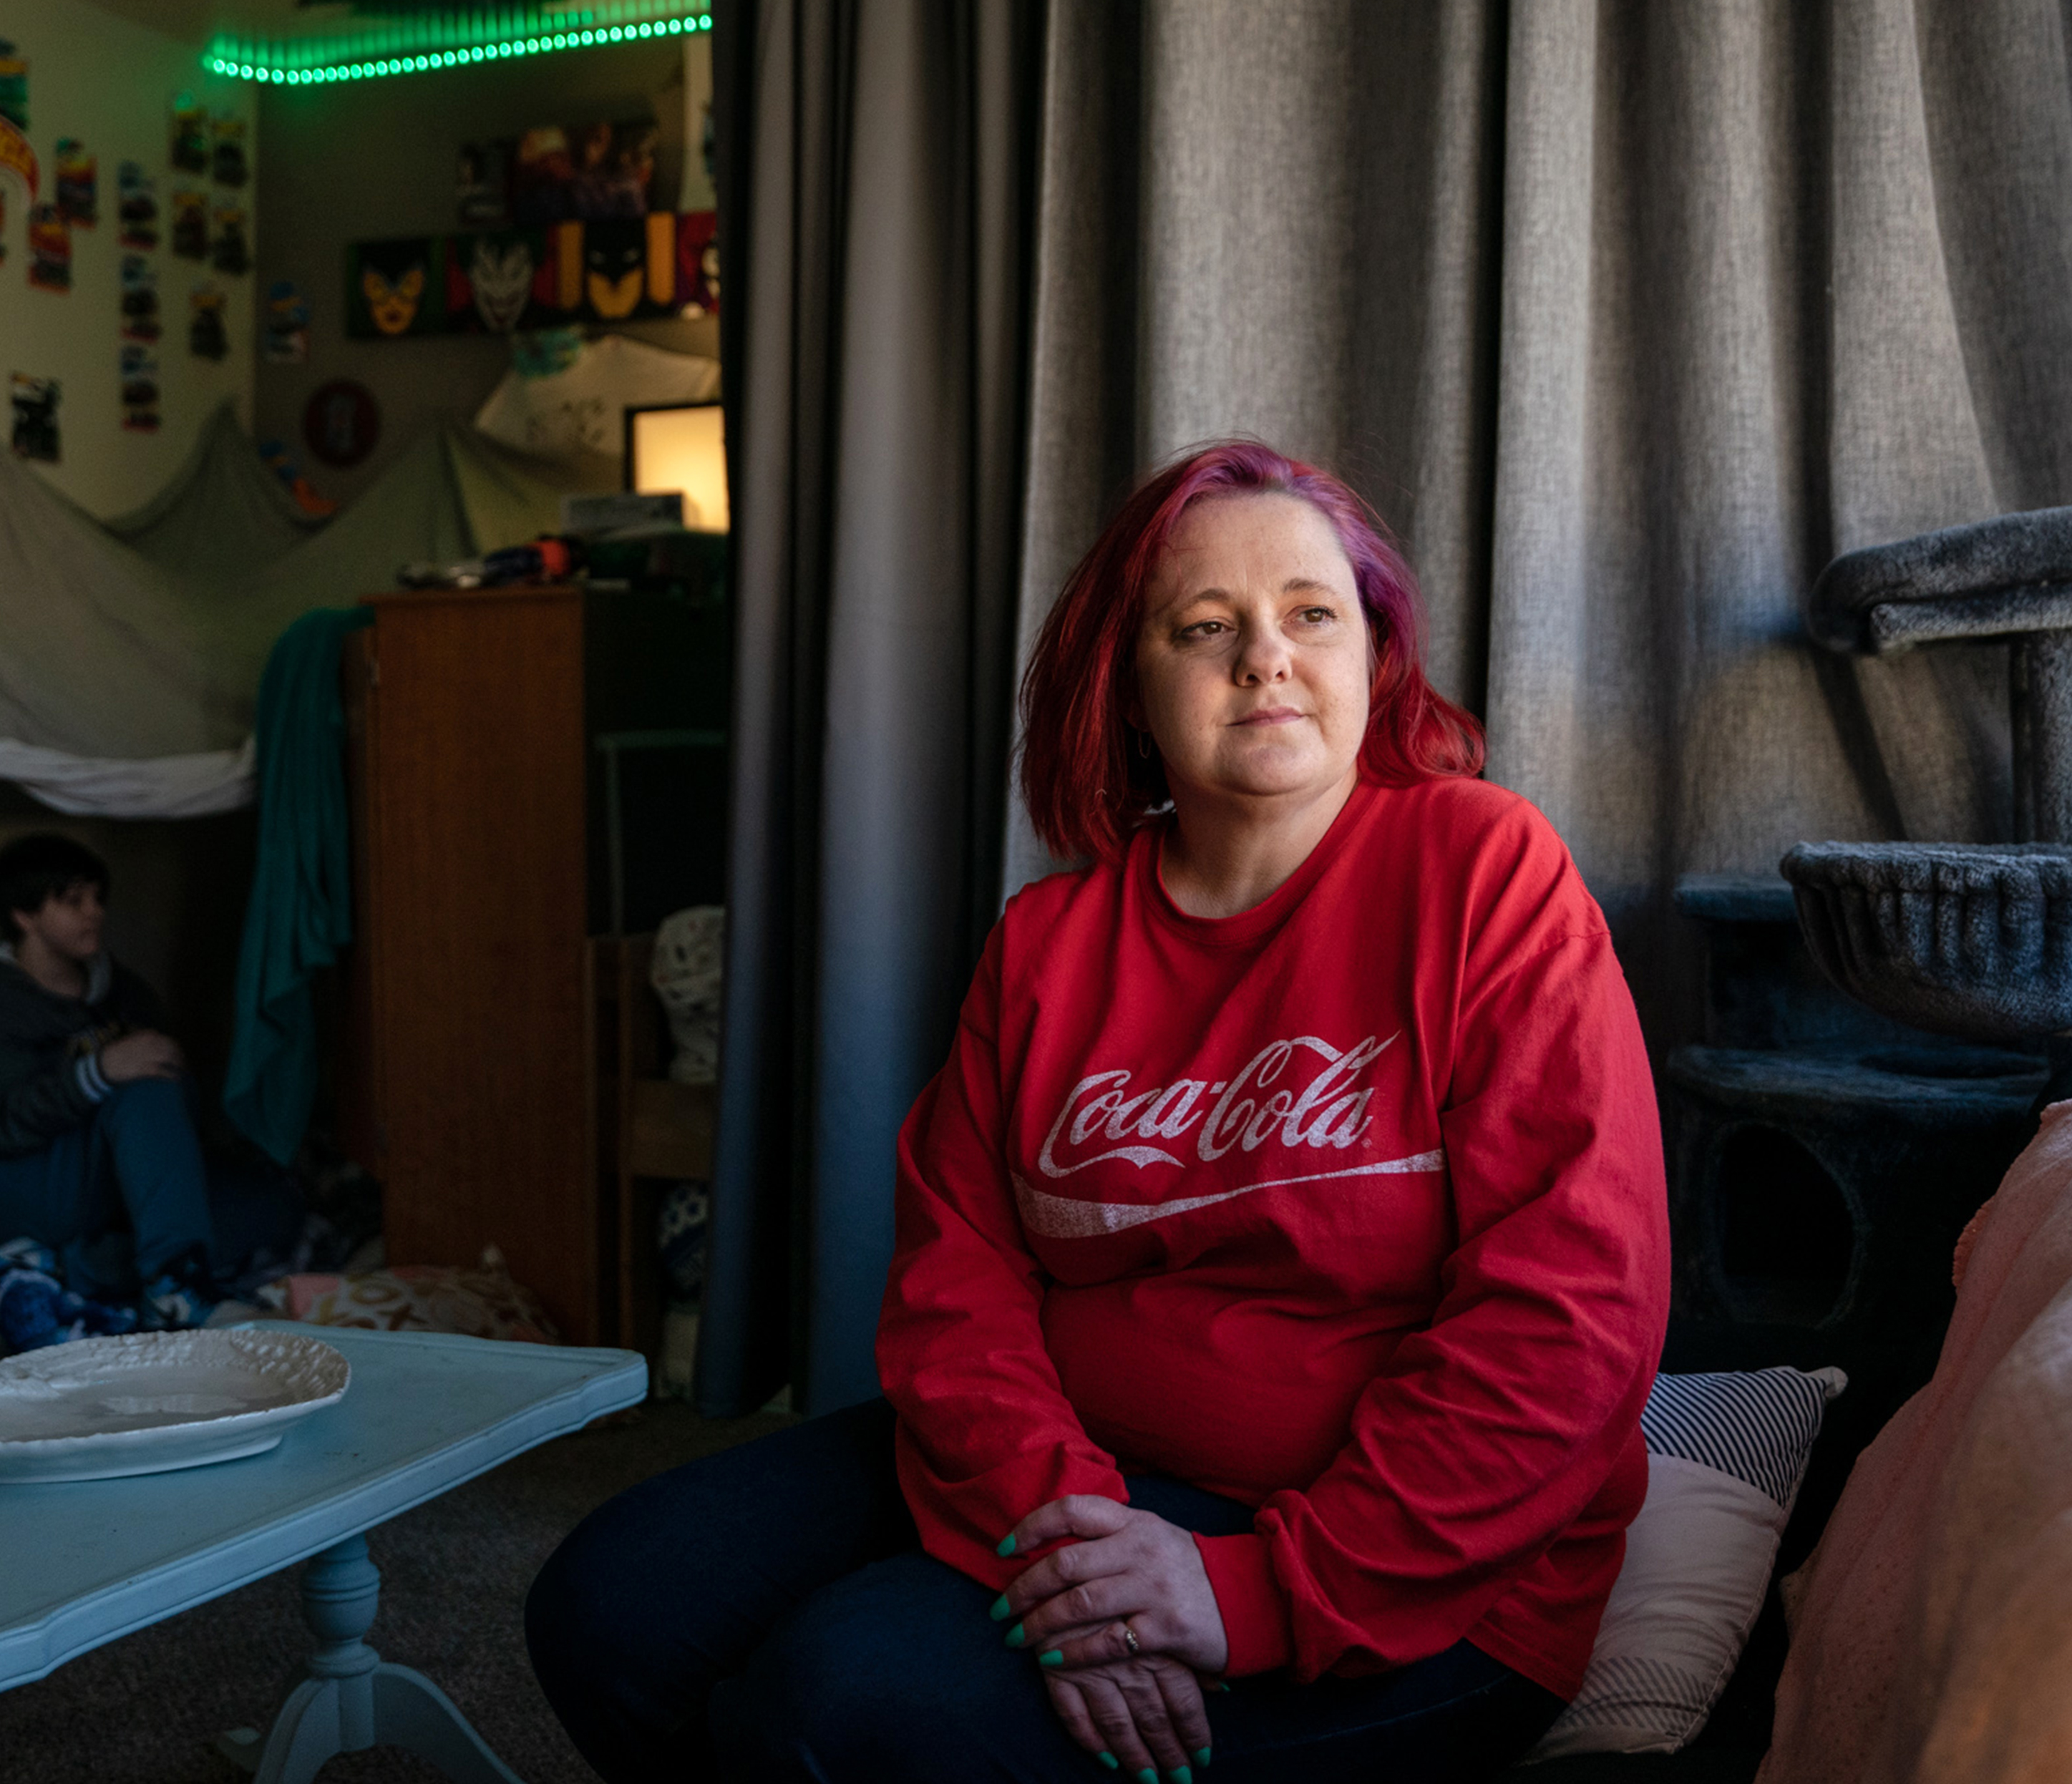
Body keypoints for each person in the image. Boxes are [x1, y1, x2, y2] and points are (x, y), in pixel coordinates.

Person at [525, 442, 1671, 1783]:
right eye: (1205, 627)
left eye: (1311, 614)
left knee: (838, 1704)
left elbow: (1572, 1313)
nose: (1266, 658)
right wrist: (1068, 1531)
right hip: (1084, 1468)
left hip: (1420, 1572)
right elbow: (958, 1284)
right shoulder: (1049, 942)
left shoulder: (1486, 872)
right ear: (1127, 686)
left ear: (1376, 654)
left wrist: (1242, 1596)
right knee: (607, 1607)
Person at [0, 833, 295, 1327]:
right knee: (141, 1084)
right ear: (25, 916)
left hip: (108, 1177)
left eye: (97, 899)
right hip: (17, 1178)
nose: (94, 913)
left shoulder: (121, 991)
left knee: (273, 1205)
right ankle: (178, 1289)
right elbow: (3, 1122)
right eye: (73, 902)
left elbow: (170, 1109)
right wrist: (100, 1072)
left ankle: (75, 1265)